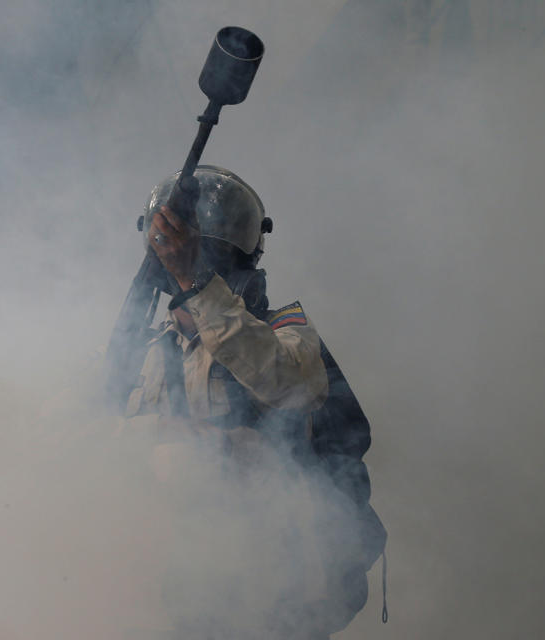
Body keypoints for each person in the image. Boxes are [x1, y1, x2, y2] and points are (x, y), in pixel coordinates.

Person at [111, 165, 384, 639]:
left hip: (273, 587)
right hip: (172, 586)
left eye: (197, 257)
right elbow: (65, 435)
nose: (181, 268)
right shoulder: (142, 354)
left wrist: (196, 287)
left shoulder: (285, 331)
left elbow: (289, 384)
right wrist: (152, 438)